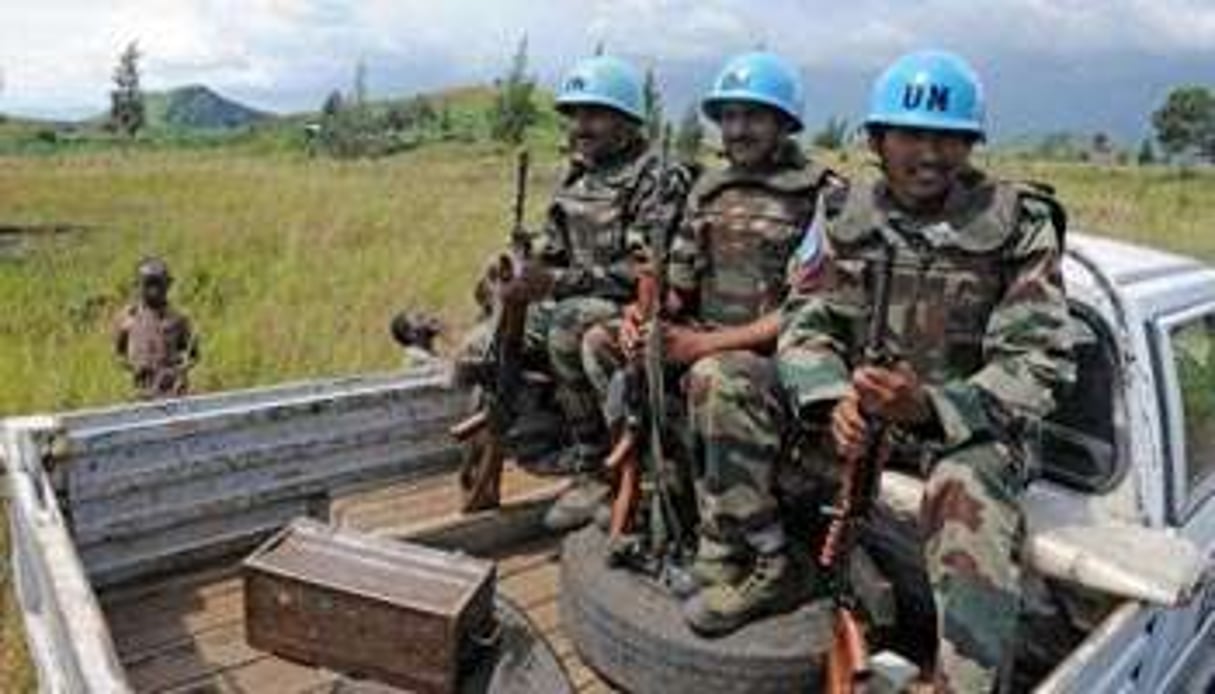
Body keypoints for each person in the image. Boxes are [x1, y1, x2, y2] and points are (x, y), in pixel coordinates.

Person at [777, 50, 1074, 692]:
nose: (931, 154)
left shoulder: (1018, 226)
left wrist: (933, 407)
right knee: (724, 390)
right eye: (912, 135)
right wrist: (832, 401)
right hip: (861, 426)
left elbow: (1037, 364)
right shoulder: (840, 214)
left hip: (970, 433)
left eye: (950, 138)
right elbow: (805, 321)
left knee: (968, 489)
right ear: (877, 140)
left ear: (971, 145)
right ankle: (747, 570)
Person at [584, 51, 841, 635]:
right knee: (603, 343)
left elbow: (811, 313)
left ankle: (752, 550)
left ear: (785, 123)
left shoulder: (823, 197)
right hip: (712, 344)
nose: (738, 129)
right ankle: (665, 487)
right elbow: (678, 290)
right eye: (728, 116)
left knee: (714, 375)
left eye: (754, 115)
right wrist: (641, 318)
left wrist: (702, 347)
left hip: (785, 362)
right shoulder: (708, 190)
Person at [459, 54, 674, 529]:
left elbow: (643, 271)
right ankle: (508, 445)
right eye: (575, 115)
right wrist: (518, 269)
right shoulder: (578, 174)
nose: (582, 126)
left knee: (565, 322)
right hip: (574, 294)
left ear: (626, 120)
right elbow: (555, 250)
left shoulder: (653, 177)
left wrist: (555, 283)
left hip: (626, 305)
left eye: (594, 114)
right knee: (487, 336)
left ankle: (594, 466)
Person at [114, 257, 199, 399]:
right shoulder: (128, 320)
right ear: (136, 285)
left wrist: (177, 371)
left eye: (159, 284)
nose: (154, 291)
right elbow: (118, 354)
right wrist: (133, 368)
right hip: (142, 392)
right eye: (148, 284)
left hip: (175, 392)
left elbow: (195, 356)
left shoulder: (178, 319)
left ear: (169, 284)